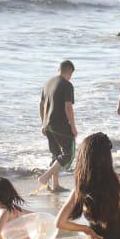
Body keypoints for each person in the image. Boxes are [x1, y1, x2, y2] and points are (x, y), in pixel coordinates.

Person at [39, 60, 77, 193]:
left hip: (48, 124)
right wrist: (73, 126)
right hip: (60, 124)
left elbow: (41, 104)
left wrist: (43, 123)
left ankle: (55, 185)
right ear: (70, 71)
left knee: (56, 154)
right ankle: (45, 176)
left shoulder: (47, 84)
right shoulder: (67, 85)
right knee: (68, 154)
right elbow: (68, 107)